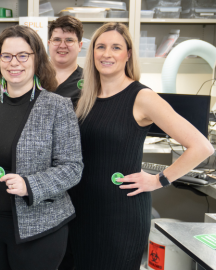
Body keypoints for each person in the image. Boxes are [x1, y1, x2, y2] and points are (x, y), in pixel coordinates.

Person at [68, 22, 214, 270]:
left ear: (128, 55)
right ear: (92, 53)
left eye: (116, 47)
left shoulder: (142, 97)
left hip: (119, 215)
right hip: (79, 209)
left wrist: (158, 180)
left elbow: (201, 146)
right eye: (100, 47)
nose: (107, 54)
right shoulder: (84, 98)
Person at [0, 25, 83, 270]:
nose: (14, 63)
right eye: (7, 55)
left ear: (37, 59)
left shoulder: (57, 106)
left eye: (23, 55)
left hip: (38, 228)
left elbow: (72, 167)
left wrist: (30, 185)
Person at [48, 15, 84, 107]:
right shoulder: (35, 77)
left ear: (80, 46)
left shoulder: (89, 80)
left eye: (69, 40)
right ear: (49, 44)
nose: (62, 45)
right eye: (57, 40)